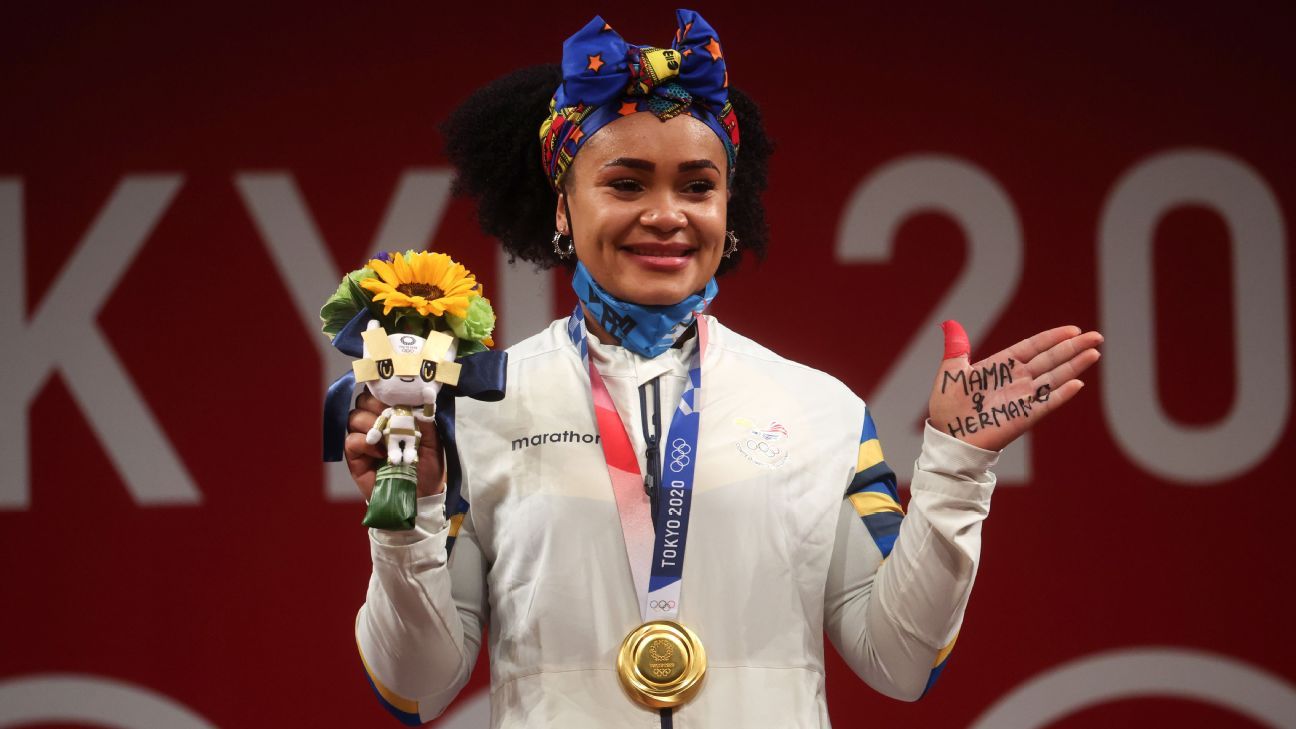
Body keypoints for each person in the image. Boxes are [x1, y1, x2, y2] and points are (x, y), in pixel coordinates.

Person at [344, 10, 1102, 728]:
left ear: (727, 207)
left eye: (698, 186)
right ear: (564, 207)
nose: (667, 214)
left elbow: (900, 659)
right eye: (626, 183)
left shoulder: (820, 410)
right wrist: (406, 519)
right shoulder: (478, 408)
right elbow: (418, 683)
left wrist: (956, 469)